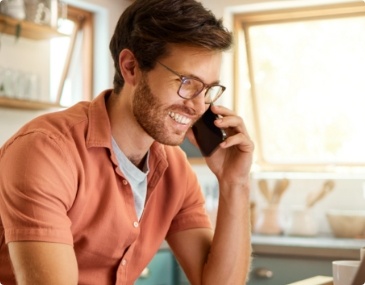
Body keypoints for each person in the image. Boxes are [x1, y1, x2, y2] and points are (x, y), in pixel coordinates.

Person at [0, 0, 254, 284]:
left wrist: (235, 183)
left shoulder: (175, 170)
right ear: (131, 67)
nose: (198, 107)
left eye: (207, 89)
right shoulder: (45, 151)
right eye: (187, 83)